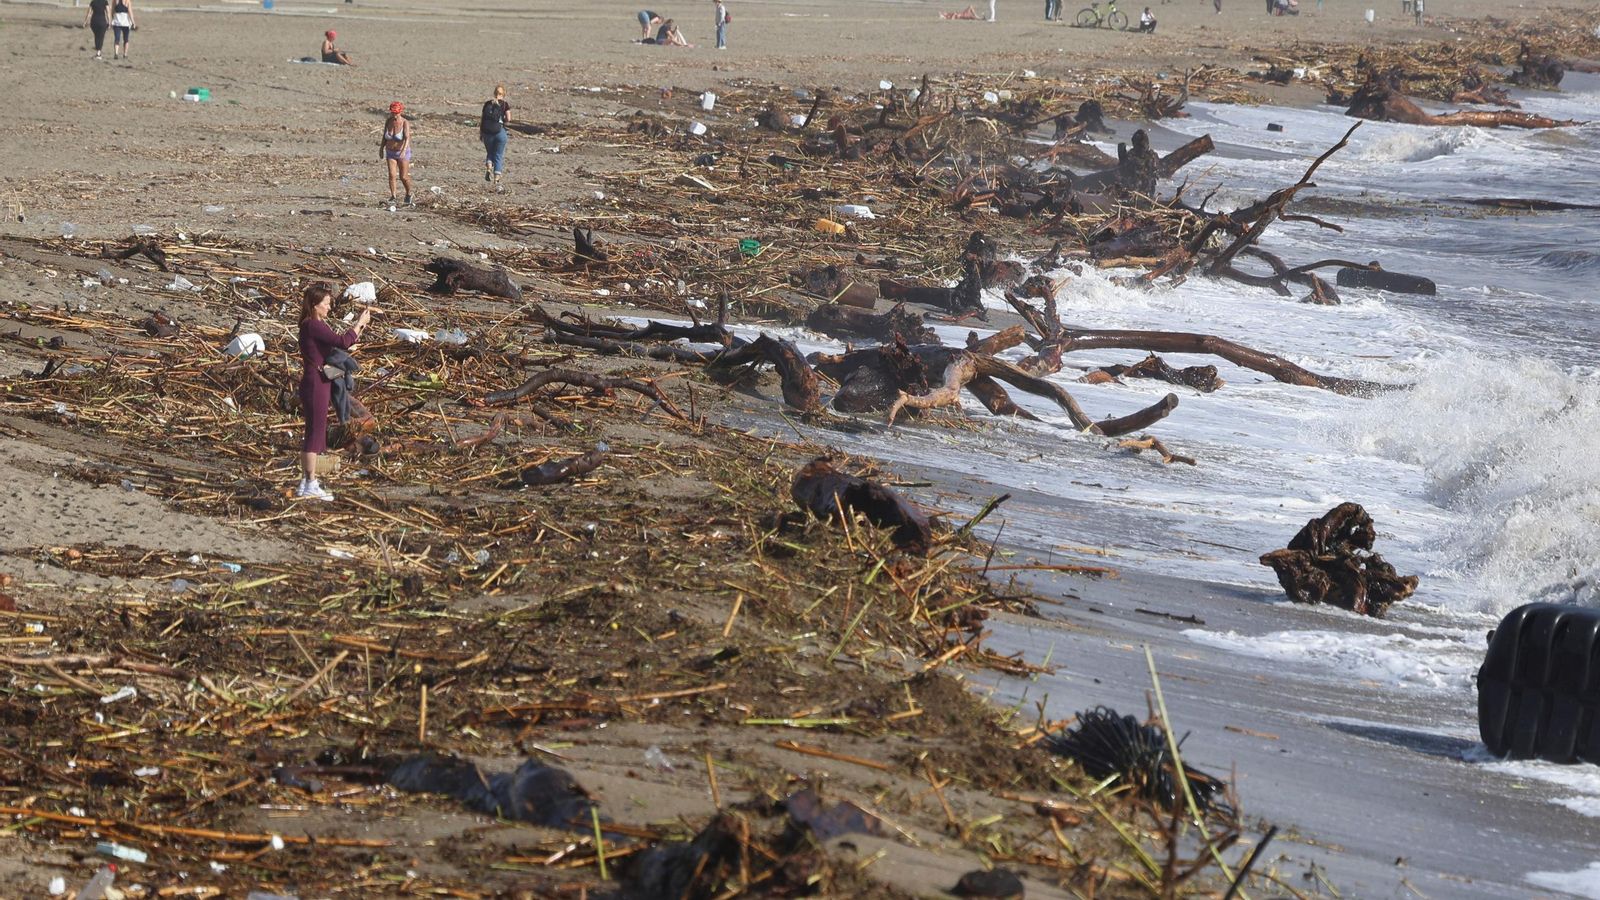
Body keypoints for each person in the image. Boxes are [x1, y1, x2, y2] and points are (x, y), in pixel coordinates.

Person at [296, 283, 371, 502]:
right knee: (315, 433)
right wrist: (359, 324)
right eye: (326, 304)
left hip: (317, 382)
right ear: (315, 305)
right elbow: (342, 342)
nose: (329, 308)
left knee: (315, 431)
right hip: (315, 384)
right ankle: (310, 483)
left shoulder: (311, 325)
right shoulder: (313, 325)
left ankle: (306, 482)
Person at [380, 101, 414, 207]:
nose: (394, 115)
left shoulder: (405, 122)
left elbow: (407, 138)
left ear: (400, 112)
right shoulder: (388, 121)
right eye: (393, 112)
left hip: (402, 152)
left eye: (396, 113)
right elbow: (384, 136)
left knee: (403, 176)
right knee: (392, 175)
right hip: (390, 152)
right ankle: (393, 196)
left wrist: (403, 150)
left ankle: (409, 193)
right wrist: (381, 148)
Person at [480, 84, 510, 188]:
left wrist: (481, 133)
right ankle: (496, 179)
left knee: (490, 153)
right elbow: (509, 118)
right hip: (499, 132)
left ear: (494, 93)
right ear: (504, 94)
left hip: (487, 132)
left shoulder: (488, 103)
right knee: (498, 155)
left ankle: (488, 167)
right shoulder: (505, 104)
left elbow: (483, 118)